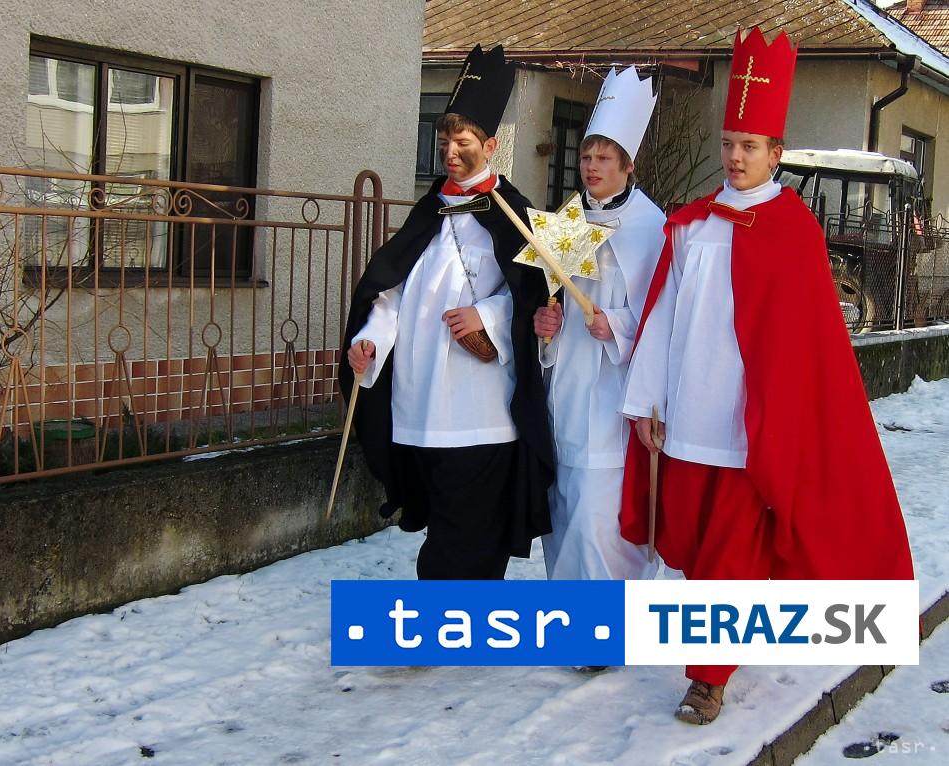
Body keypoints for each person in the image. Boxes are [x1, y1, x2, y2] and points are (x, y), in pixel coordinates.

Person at [618, 27, 914, 724]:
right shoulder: (691, 226)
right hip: (688, 415)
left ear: (775, 153)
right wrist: (647, 402)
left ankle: (707, 679)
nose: (735, 157)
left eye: (749, 146)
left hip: (749, 429)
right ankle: (722, 641)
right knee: (695, 547)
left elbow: (810, 346)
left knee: (732, 549)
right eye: (729, 144)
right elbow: (662, 317)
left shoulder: (794, 231)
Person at [339, 44, 554, 580]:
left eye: (462, 143)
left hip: (480, 406)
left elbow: (535, 294)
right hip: (420, 400)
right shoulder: (428, 211)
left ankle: (449, 612)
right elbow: (391, 291)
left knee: (469, 531)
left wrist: (487, 316)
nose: (450, 154)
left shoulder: (514, 213)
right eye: (443, 143)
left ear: (490, 146)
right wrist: (370, 339)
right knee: (446, 523)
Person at [532, 67, 665, 581]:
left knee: (597, 520)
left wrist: (619, 325)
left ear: (628, 165)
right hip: (566, 391)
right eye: (586, 156)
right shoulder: (568, 220)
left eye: (604, 158)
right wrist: (546, 328)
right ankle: (570, 613)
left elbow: (662, 311)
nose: (591, 166)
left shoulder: (652, 226)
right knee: (563, 515)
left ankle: (610, 617)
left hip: (614, 396)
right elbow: (553, 299)